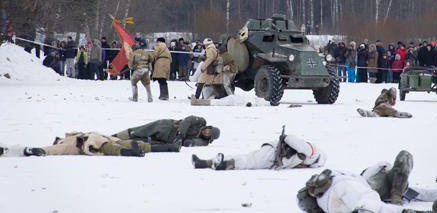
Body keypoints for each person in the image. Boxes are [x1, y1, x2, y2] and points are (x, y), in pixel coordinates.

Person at [297, 151, 437, 213]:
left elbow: (421, 193)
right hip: (363, 188)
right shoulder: (369, 177)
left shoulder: (400, 184)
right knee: (369, 201)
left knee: (370, 201)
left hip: (369, 192)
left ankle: (394, 201)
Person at [192, 133, 326, 170]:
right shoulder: (311, 151)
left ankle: (205, 163)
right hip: (274, 153)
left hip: (274, 159)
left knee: (249, 160)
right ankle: (224, 163)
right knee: (249, 160)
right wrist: (285, 138)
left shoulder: (306, 161)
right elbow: (292, 139)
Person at [42, 132, 181, 157]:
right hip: (96, 145)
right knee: (115, 150)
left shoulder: (75, 134)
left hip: (107, 138)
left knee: (136, 143)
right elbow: (53, 150)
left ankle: (171, 148)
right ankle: (134, 153)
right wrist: (37, 150)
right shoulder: (65, 144)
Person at [113, 116, 220, 147]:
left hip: (169, 139)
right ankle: (117, 136)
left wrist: (191, 142)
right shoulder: (201, 122)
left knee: (142, 141)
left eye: (209, 134)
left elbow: (194, 143)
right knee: (140, 131)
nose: (207, 132)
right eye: (209, 130)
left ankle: (118, 143)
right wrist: (180, 134)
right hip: (168, 126)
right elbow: (188, 120)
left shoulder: (204, 141)